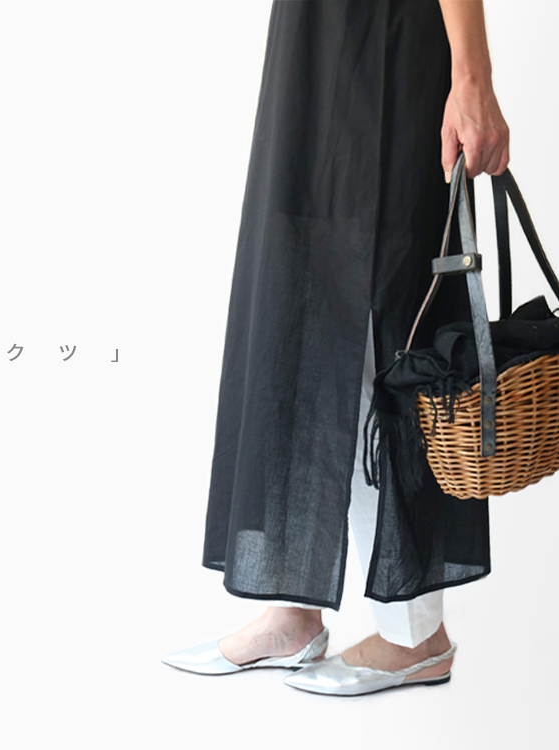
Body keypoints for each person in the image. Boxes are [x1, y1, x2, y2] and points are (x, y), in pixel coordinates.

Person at [161, 0, 509, 696]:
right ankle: (291, 606)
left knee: (385, 313)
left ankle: (415, 633)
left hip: (386, 38)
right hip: (311, 40)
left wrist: (472, 76)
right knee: (298, 293)